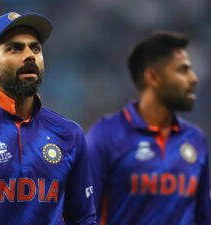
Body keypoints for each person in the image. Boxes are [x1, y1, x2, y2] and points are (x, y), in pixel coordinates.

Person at [0, 12, 96, 225]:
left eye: (35, 48)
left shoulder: (69, 133)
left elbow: (83, 218)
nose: (30, 55)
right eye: (15, 48)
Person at [87, 31, 211, 225]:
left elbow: (204, 216)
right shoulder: (106, 135)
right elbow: (83, 213)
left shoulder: (195, 139)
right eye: (182, 70)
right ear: (153, 77)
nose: (193, 78)